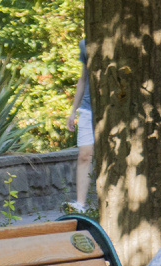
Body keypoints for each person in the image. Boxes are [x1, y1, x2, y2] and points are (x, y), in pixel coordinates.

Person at [65, 39, 94, 213]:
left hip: (113, 110)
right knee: (84, 155)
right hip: (88, 108)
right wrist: (73, 111)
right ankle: (80, 205)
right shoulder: (85, 44)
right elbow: (83, 78)